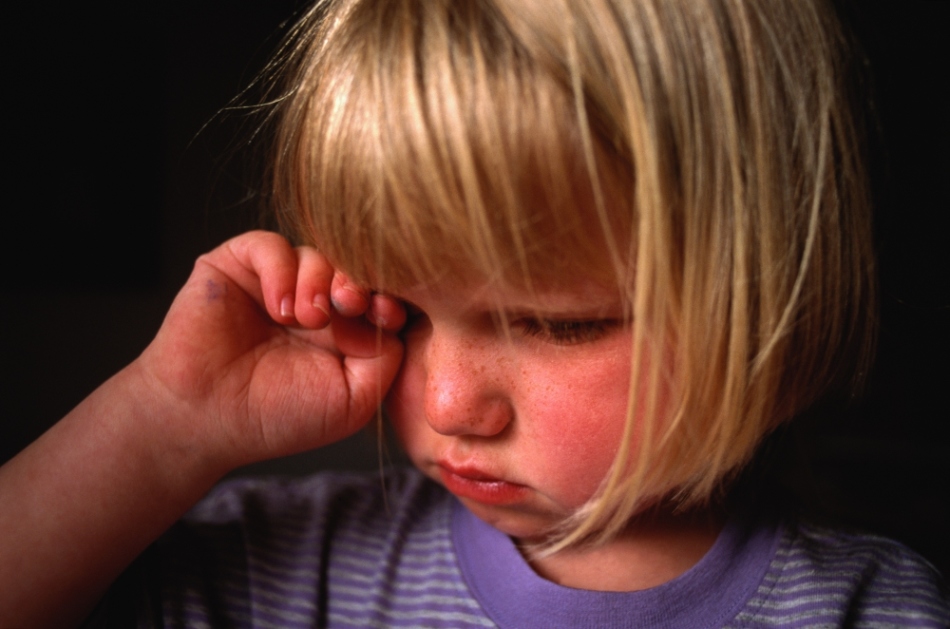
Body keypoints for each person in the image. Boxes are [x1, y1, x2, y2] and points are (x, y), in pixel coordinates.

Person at [1, 0, 947, 627]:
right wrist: (164, 425)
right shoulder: (290, 567)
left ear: (775, 295)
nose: (449, 402)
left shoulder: (877, 607)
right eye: (400, 311)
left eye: (555, 323)